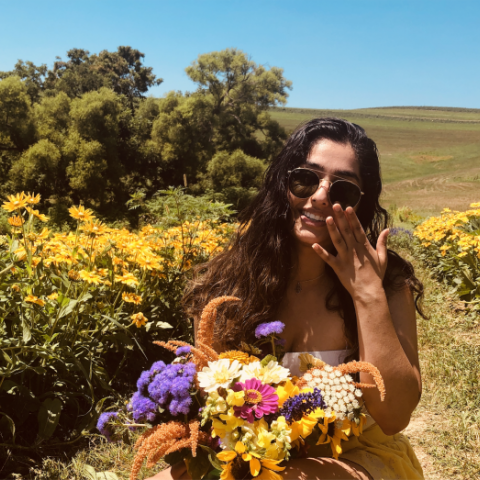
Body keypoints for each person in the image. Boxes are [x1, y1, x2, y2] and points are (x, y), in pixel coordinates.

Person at [148, 118, 425, 479]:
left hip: (357, 456)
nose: (321, 196)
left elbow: (395, 416)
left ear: (362, 204)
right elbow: (208, 396)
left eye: (343, 190)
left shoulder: (387, 284)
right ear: (283, 184)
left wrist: (367, 294)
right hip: (250, 455)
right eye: (306, 178)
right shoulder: (232, 280)